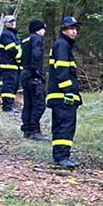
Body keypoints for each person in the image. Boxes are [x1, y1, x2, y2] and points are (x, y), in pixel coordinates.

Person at [46, 16, 82, 169]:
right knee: (66, 124)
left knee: (60, 124)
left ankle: (59, 155)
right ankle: (62, 157)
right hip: (63, 95)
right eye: (71, 29)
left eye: (75, 29)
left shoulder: (62, 44)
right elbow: (62, 70)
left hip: (58, 94)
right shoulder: (62, 45)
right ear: (63, 30)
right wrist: (68, 91)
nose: (74, 32)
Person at [20, 20, 48, 140]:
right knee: (39, 103)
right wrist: (37, 73)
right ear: (38, 29)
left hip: (25, 75)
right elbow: (36, 56)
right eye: (43, 28)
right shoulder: (37, 39)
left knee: (28, 103)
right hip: (33, 76)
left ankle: (27, 129)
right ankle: (35, 130)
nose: (44, 31)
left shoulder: (26, 40)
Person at [0, 15, 22, 113]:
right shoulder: (7, 34)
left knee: (14, 86)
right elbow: (12, 50)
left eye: (14, 21)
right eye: (10, 21)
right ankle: (7, 107)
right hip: (9, 64)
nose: (13, 23)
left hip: (14, 65)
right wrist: (20, 59)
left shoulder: (13, 34)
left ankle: (10, 105)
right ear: (6, 23)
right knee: (9, 85)